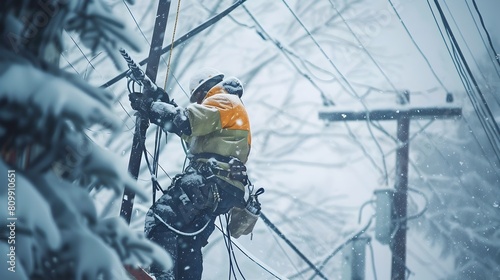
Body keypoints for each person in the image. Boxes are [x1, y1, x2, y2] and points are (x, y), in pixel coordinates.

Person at [129, 68, 251, 280]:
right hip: (223, 188)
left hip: (207, 181)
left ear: (204, 89)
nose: (197, 104)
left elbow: (186, 121)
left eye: (196, 98)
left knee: (162, 218)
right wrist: (161, 101)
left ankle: (160, 274)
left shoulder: (222, 99)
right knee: (187, 241)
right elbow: (186, 128)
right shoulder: (229, 111)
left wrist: (149, 107)